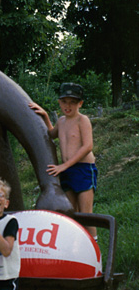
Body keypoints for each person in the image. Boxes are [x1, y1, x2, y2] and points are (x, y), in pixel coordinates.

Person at [29, 82, 98, 239]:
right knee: (70, 210)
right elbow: (52, 134)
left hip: (84, 169)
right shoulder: (61, 121)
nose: (68, 106)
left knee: (85, 213)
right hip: (67, 171)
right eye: (64, 102)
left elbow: (88, 146)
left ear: (80, 103)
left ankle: (95, 249)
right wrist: (45, 116)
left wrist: (64, 165)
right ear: (59, 102)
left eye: (72, 102)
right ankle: (75, 246)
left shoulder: (83, 120)